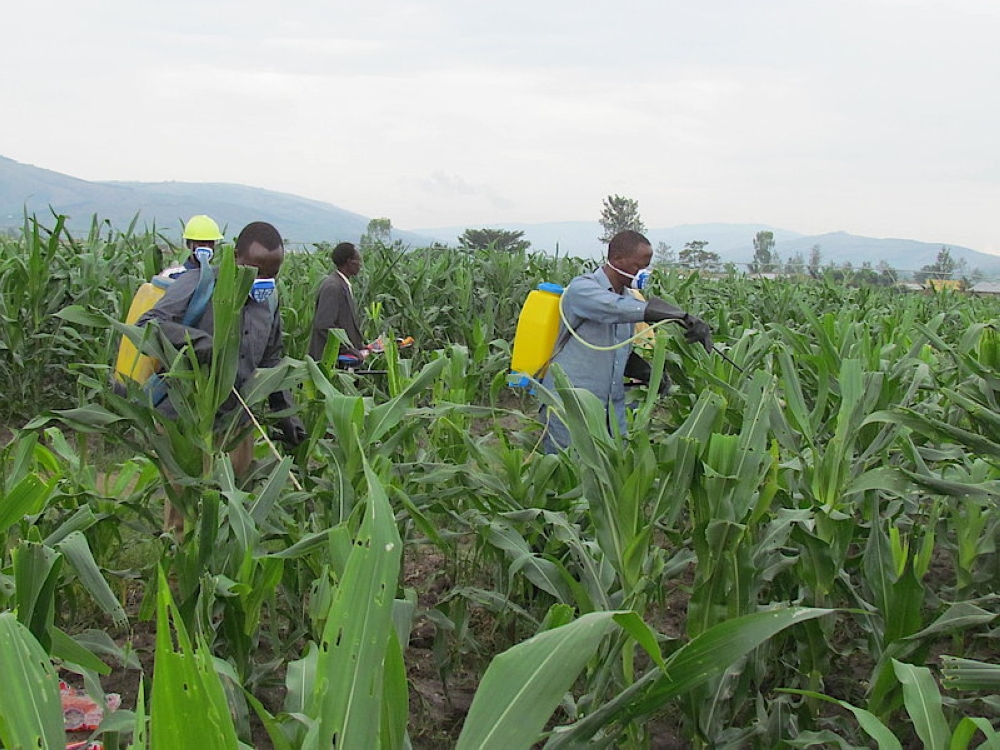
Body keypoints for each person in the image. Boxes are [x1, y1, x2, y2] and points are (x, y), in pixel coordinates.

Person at [138, 221, 307, 531]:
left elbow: (272, 357)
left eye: (274, 272)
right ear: (236, 258)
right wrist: (196, 342)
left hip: (236, 422)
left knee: (236, 503)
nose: (265, 279)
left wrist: (285, 412)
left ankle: (223, 569)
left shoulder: (269, 300)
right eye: (257, 270)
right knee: (183, 511)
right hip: (187, 417)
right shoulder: (199, 284)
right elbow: (150, 324)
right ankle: (180, 573)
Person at [540, 229, 712, 452]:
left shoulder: (629, 298)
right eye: (638, 266)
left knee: (614, 473)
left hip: (612, 410)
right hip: (571, 404)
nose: (643, 272)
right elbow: (614, 308)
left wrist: (650, 374)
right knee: (568, 475)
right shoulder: (582, 289)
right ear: (617, 259)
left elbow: (620, 351)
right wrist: (678, 315)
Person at [308, 241, 369, 364]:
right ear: (349, 261)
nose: (360, 265)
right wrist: (349, 350)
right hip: (329, 362)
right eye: (358, 260)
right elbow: (324, 325)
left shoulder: (341, 285)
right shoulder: (333, 287)